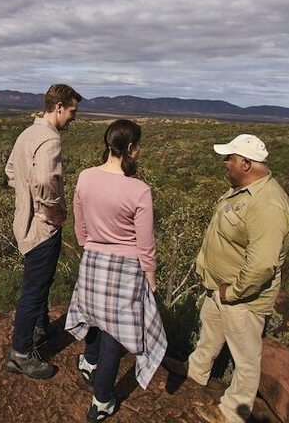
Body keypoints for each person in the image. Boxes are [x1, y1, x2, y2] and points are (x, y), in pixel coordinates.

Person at [187, 134, 289, 423]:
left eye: (230, 158)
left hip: (241, 298)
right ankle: (193, 381)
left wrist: (231, 293)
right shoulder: (241, 189)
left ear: (246, 163)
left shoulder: (267, 205)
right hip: (218, 289)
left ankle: (232, 414)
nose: (225, 163)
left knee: (245, 360)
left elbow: (262, 265)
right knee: (208, 339)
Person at [65, 119, 167, 421]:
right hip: (126, 266)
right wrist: (151, 276)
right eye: (139, 147)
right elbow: (145, 242)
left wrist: (88, 244)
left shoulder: (85, 177)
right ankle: (103, 399)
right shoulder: (139, 190)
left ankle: (89, 361)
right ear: (132, 148)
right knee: (114, 332)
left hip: (94, 258)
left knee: (94, 315)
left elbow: (79, 221)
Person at [1, 83, 82, 379]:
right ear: (58, 107)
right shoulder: (49, 139)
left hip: (25, 223)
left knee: (40, 283)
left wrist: (25, 195)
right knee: (33, 291)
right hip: (41, 228)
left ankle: (39, 328)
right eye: (72, 111)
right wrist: (49, 209)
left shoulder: (27, 133)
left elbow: (10, 171)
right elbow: (47, 179)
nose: (74, 117)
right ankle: (21, 354)